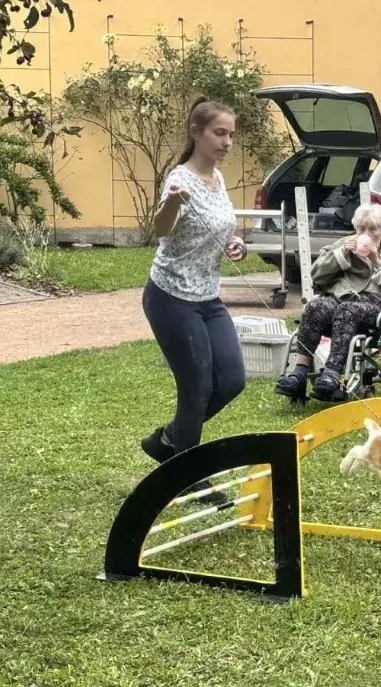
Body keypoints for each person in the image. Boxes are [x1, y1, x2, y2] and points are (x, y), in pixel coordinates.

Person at [139, 97, 247, 493]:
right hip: (170, 298)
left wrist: (235, 243)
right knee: (196, 387)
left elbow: (221, 228)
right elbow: (161, 230)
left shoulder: (217, 179)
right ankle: (187, 478)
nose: (227, 142)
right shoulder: (179, 180)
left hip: (207, 298)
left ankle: (169, 441)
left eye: (231, 135)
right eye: (219, 133)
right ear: (197, 133)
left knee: (232, 379)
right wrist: (171, 203)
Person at [275, 203, 381, 402]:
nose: (366, 234)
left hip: (376, 305)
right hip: (339, 298)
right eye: (361, 229)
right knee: (315, 306)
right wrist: (341, 254)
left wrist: (377, 261)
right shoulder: (343, 244)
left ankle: (332, 373)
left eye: (372, 229)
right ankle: (300, 372)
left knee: (348, 310)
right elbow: (316, 274)